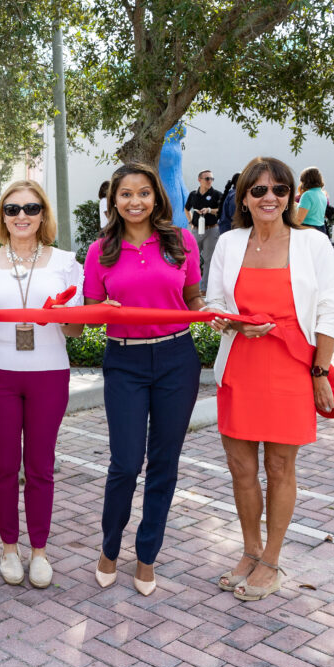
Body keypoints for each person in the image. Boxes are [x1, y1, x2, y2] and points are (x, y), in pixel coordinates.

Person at [206, 157, 334, 602]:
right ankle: (250, 551)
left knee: (280, 467)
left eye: (280, 190)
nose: (270, 198)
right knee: (241, 469)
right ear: (243, 197)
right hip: (240, 366)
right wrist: (229, 322)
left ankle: (272, 560)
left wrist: (320, 372)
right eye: (259, 190)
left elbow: (328, 311)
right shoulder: (228, 243)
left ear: (291, 197)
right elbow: (213, 306)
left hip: (291, 367)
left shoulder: (313, 244)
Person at [84, 164, 205, 596]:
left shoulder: (180, 240)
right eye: (125, 194)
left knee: (164, 464)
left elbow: (192, 295)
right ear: (113, 201)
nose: (135, 201)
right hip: (125, 361)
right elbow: (91, 311)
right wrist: (101, 311)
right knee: (126, 463)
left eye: (144, 193)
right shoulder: (101, 250)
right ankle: (110, 547)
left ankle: (147, 554)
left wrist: (208, 309)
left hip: (177, 357)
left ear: (156, 197)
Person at [0, 180, 83, 589]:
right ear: (2, 216)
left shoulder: (66, 263)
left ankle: (40, 551)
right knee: (4, 464)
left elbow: (77, 333)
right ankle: (9, 547)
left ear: (43, 214)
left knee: (40, 466)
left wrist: (62, 318)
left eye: (31, 208)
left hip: (49, 373)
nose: (22, 217)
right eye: (12, 209)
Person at [184, 169, 223, 292]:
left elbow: (221, 210)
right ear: (199, 180)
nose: (210, 181)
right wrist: (190, 222)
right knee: (191, 258)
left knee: (209, 260)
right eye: (207, 179)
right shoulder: (193, 194)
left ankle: (204, 289)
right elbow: (186, 209)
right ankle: (190, 287)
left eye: (212, 179)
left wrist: (210, 210)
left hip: (211, 230)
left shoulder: (217, 194)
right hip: (196, 230)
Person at [293, 167, 328, 234]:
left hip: (308, 229)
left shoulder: (307, 195)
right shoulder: (323, 194)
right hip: (321, 229)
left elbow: (299, 219)